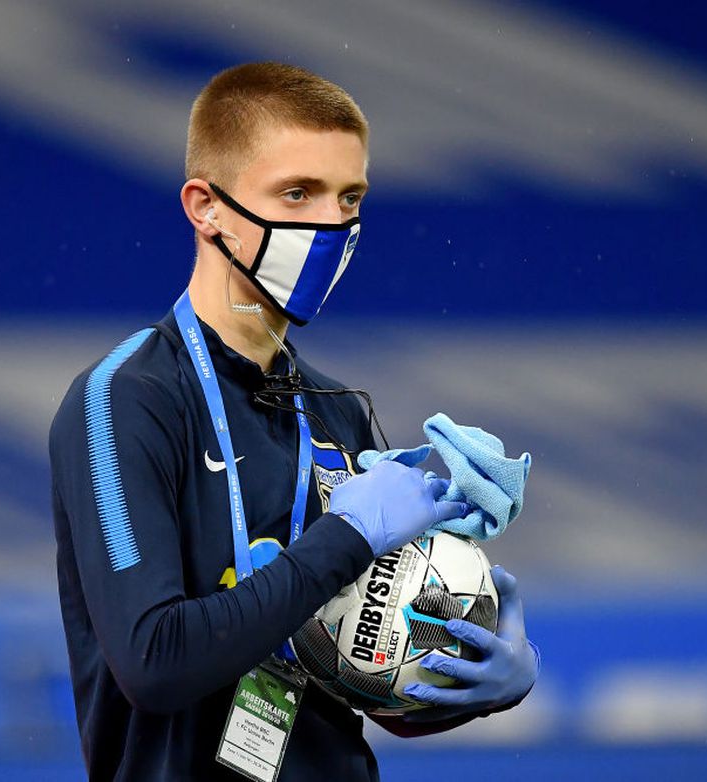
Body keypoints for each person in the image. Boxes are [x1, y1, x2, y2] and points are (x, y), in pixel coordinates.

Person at [49, 62, 538, 782]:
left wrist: (475, 664)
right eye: (297, 194)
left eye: (350, 198)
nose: (329, 224)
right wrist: (346, 539)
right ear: (204, 206)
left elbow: (364, 682)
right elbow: (153, 663)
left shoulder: (339, 414)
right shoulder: (123, 400)